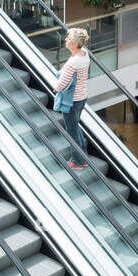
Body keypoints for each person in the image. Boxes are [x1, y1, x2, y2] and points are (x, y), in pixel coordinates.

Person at [53, 27, 91, 170]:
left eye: (68, 39)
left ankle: (76, 161)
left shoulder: (73, 62)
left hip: (71, 101)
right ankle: (84, 157)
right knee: (75, 126)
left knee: (72, 132)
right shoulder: (84, 54)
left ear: (75, 44)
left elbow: (62, 83)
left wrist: (55, 88)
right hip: (81, 98)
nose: (65, 40)